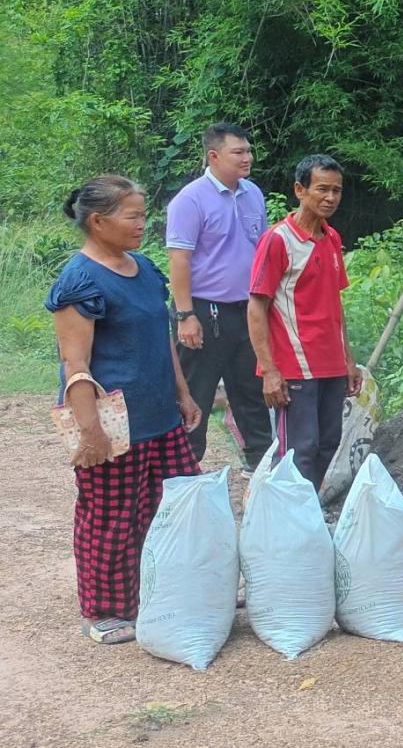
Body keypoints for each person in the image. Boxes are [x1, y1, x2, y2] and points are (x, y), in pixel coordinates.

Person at [46, 177, 203, 645]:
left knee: (170, 508)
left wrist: (183, 393)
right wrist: (89, 431)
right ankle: (105, 610)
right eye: (132, 216)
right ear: (98, 222)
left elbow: (161, 340)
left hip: (160, 415)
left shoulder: (146, 269)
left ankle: (154, 590)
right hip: (113, 421)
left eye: (142, 213)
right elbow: (75, 363)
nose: (143, 223)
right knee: (110, 515)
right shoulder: (81, 282)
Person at [247, 154, 361, 492]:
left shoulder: (332, 239)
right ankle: (286, 531)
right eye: (322, 189)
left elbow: (334, 304)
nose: (330, 198)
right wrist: (269, 370)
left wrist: (348, 361)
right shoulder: (278, 240)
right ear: (300, 189)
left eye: (337, 191)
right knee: (298, 450)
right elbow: (256, 307)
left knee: (328, 444)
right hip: (294, 367)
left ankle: (305, 519)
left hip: (330, 365)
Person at [166, 122, 272, 472]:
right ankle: (183, 470)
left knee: (252, 390)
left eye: (248, 151)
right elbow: (179, 259)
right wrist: (185, 315)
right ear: (214, 156)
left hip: (247, 310)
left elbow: (261, 250)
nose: (248, 158)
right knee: (196, 391)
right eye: (238, 152)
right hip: (202, 310)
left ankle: (261, 465)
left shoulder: (252, 193)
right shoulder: (190, 199)